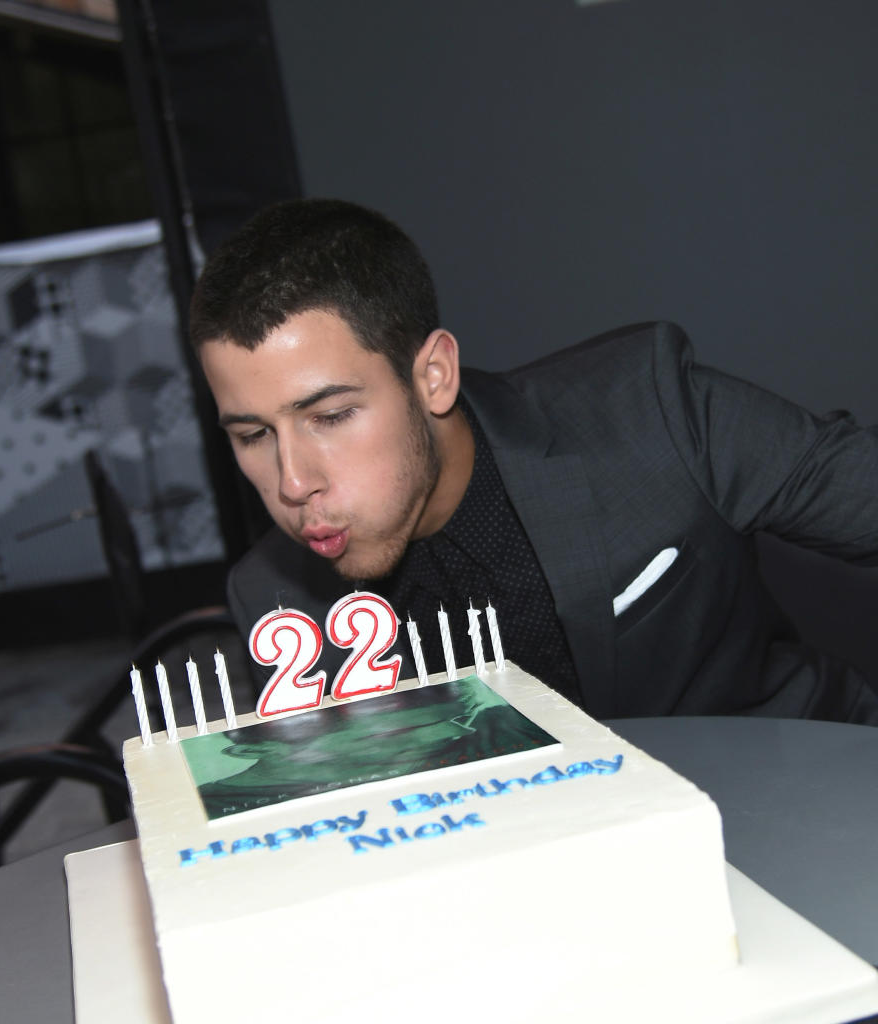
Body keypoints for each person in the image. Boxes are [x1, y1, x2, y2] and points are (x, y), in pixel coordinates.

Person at [189, 198, 878, 724]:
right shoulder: (276, 604)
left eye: (331, 417)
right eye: (251, 434)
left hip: (802, 804)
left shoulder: (650, 412)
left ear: (432, 376)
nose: (292, 481)